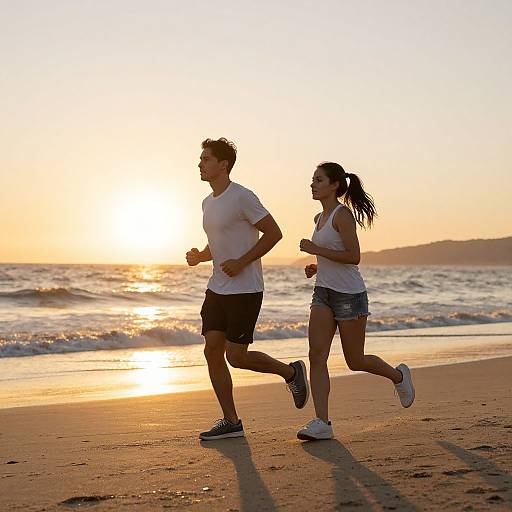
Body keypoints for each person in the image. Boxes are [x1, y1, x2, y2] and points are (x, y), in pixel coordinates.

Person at [187, 137, 308, 441]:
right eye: (200, 159)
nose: (199, 164)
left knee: (236, 357)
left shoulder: (243, 196)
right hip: (217, 287)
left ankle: (291, 373)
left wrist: (242, 262)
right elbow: (221, 242)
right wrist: (202, 255)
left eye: (205, 159)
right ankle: (231, 421)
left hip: (245, 289)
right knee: (212, 350)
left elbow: (274, 233)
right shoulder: (207, 202)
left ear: (222, 164)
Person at [296, 162, 415, 441]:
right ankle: (322, 422)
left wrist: (315, 249)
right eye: (312, 180)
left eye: (318, 180)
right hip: (323, 292)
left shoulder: (342, 215)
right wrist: (317, 265)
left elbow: (354, 256)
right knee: (316, 355)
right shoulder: (318, 218)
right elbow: (332, 254)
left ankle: (398, 376)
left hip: (349, 295)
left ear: (334, 184)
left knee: (355, 359)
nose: (312, 184)